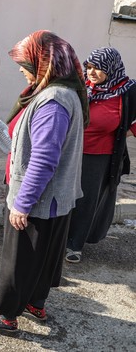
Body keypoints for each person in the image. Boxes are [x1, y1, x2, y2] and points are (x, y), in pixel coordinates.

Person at [0, 30, 88, 333]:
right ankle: (35, 305)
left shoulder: (52, 101)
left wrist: (22, 204)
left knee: (19, 262)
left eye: (26, 66)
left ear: (45, 63)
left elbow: (44, 159)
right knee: (43, 258)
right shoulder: (65, 93)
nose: (23, 72)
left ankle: (6, 317)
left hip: (39, 199)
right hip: (55, 199)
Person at [66, 47, 136, 263]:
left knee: (86, 200)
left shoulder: (127, 91)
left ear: (111, 69)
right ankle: (58, 238)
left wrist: (122, 131)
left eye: (99, 68)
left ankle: (74, 244)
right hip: (70, 150)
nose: (92, 72)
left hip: (99, 156)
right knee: (64, 195)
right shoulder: (83, 87)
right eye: (89, 67)